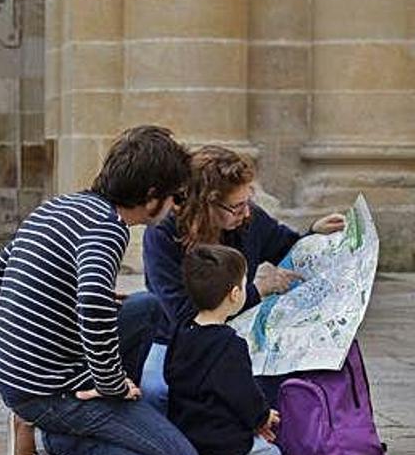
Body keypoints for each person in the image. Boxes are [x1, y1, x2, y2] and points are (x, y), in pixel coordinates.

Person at [0, 125, 199, 455]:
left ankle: (68, 418)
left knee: (147, 307)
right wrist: (113, 385)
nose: (177, 207)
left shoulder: (59, 207)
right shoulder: (108, 228)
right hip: (48, 391)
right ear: (153, 194)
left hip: (10, 373)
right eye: (178, 197)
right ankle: (51, 440)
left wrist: (59, 301)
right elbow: (93, 305)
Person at [136, 145, 346, 411]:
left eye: (247, 201)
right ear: (207, 203)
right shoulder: (163, 234)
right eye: (236, 207)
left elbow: (285, 247)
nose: (245, 213)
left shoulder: (248, 219)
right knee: (156, 390)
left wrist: (314, 233)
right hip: (177, 340)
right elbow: (181, 313)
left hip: (241, 333)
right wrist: (255, 291)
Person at [167, 244, 281, 455]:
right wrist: (263, 417)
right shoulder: (230, 344)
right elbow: (243, 394)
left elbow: (170, 375)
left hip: (185, 433)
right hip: (222, 442)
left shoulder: (181, 330)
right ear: (235, 294)